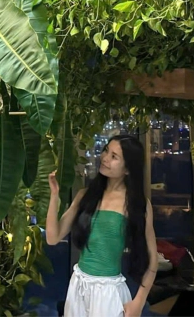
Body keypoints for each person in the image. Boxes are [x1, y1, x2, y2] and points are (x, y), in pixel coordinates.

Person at [46, 134, 158, 317]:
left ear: (128, 169)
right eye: (106, 150)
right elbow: (52, 238)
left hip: (109, 292)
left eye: (114, 156)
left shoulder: (138, 205)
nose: (105, 158)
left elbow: (152, 260)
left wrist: (138, 302)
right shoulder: (86, 195)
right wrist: (54, 195)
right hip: (78, 286)